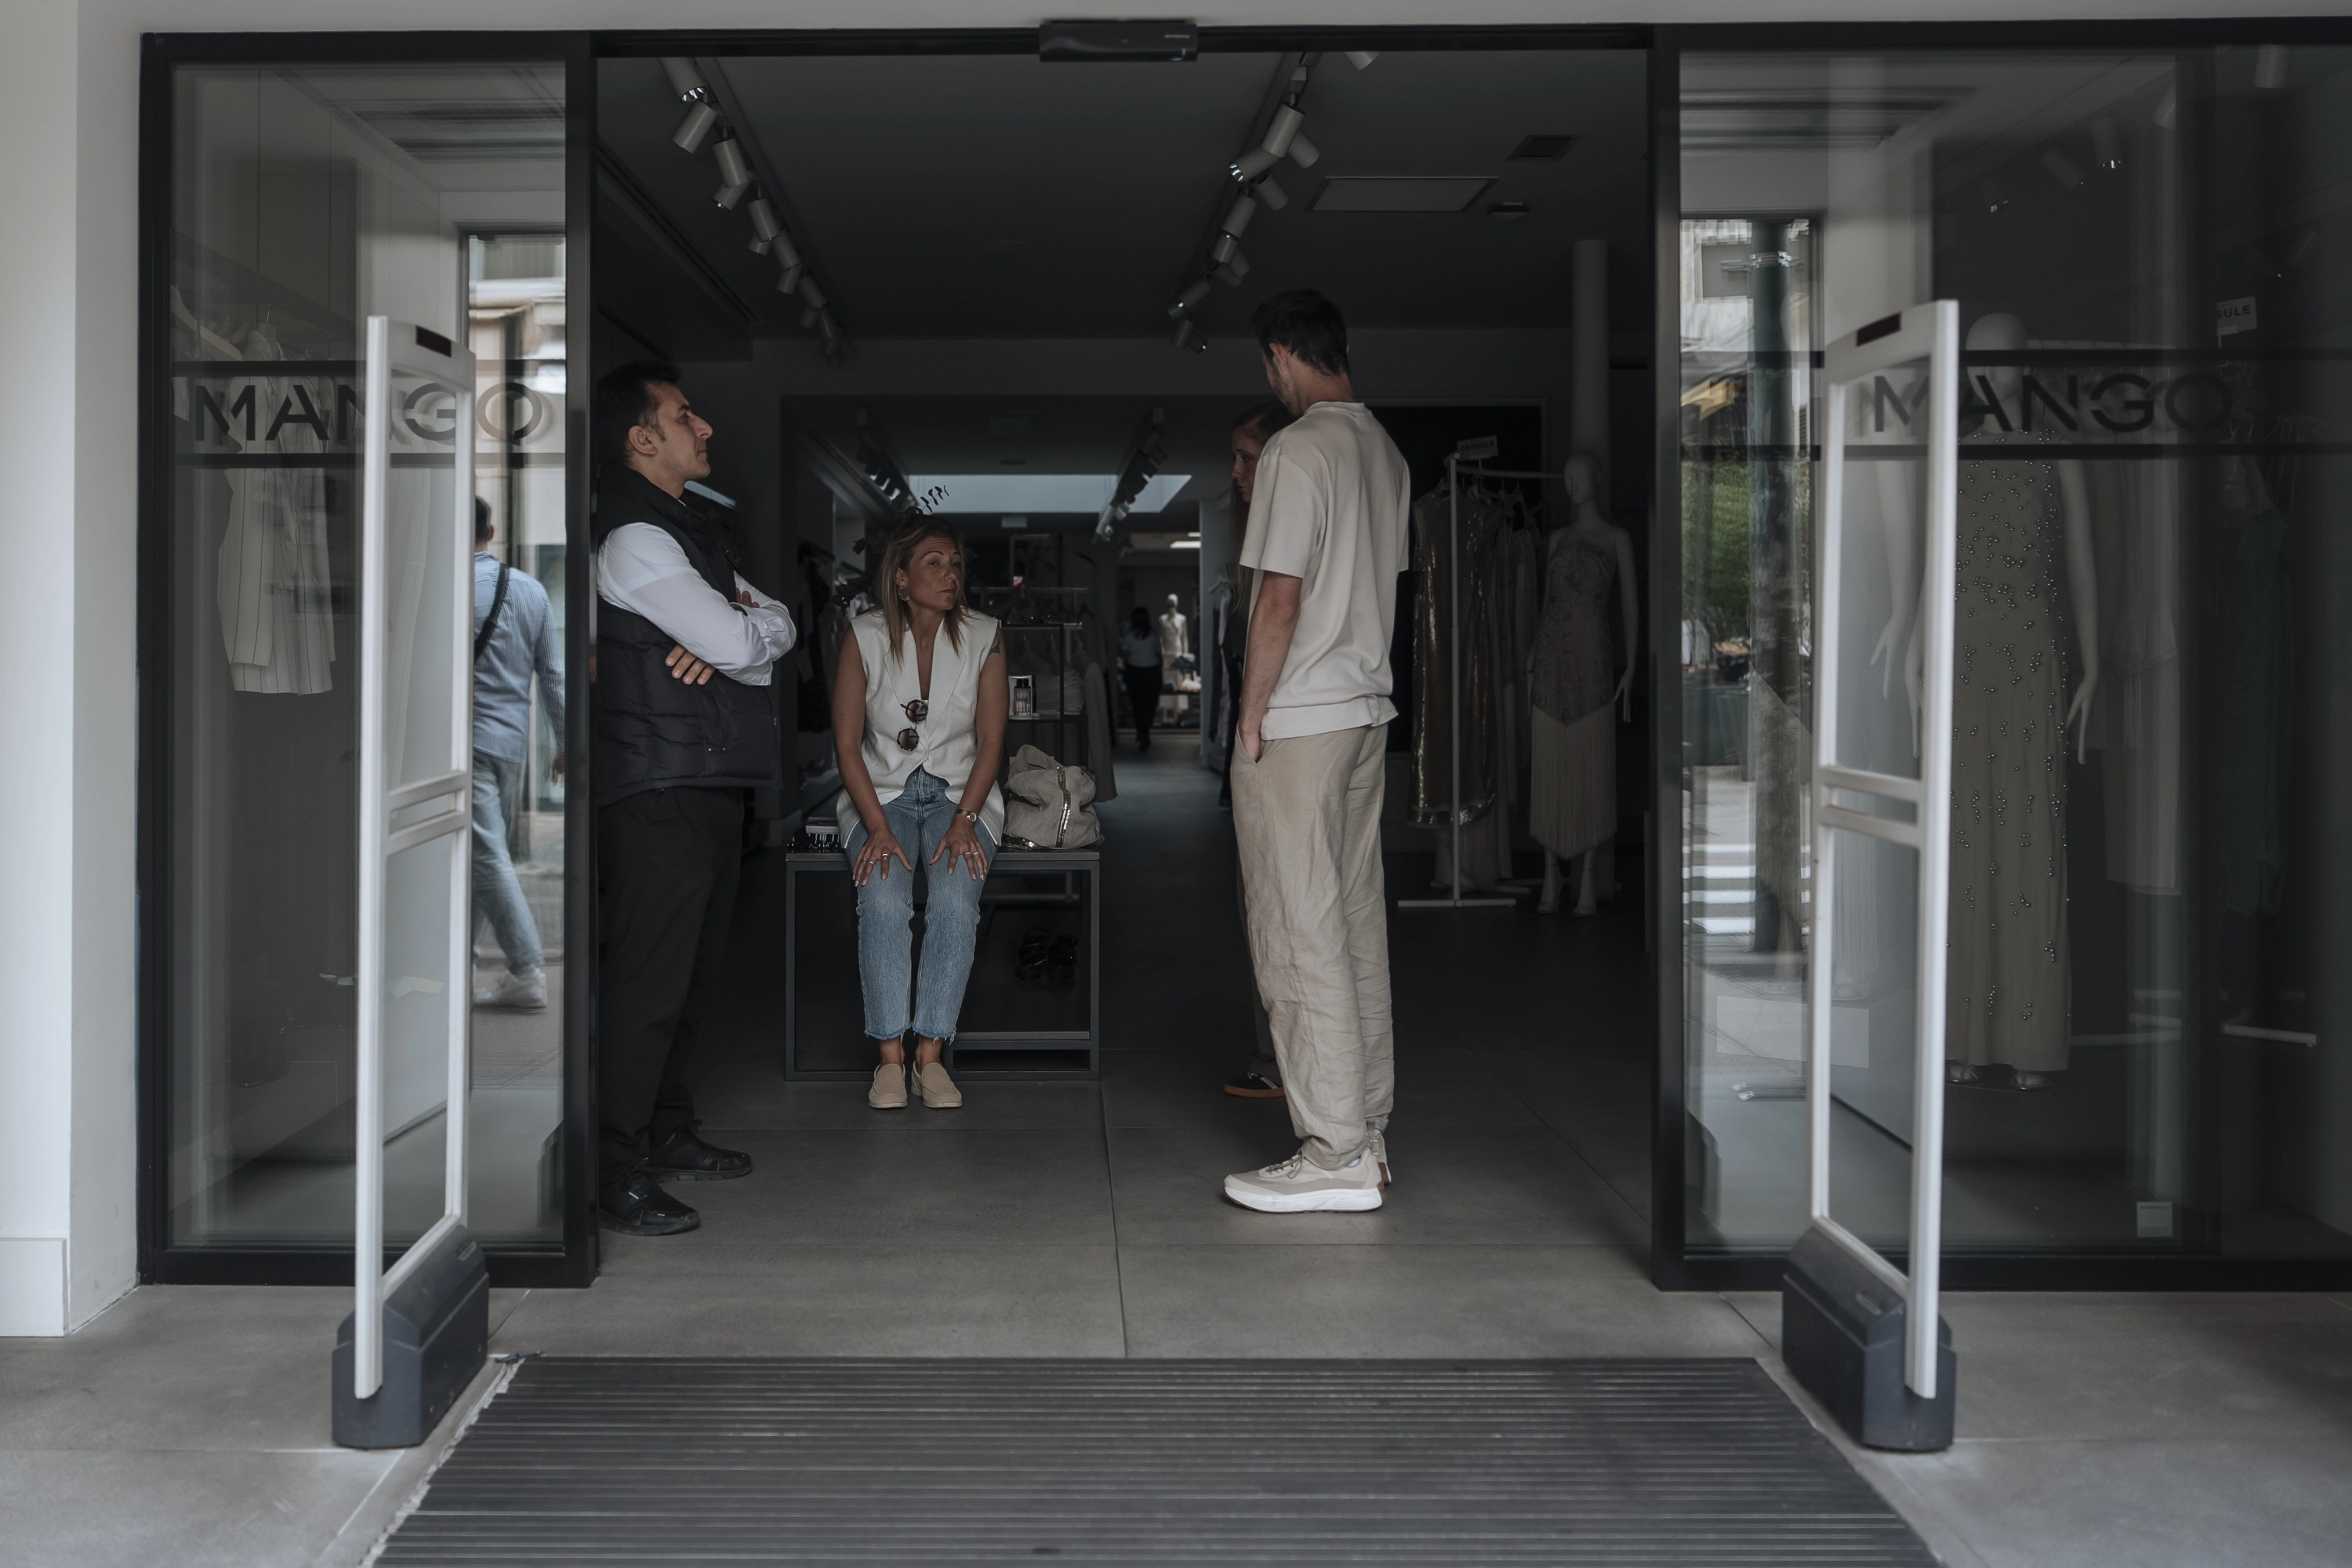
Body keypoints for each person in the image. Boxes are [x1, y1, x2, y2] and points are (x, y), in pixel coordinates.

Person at [591, 360, 797, 1236]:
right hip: (657, 788)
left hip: (702, 780)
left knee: (693, 981)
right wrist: (736, 640)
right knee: (649, 986)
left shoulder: (691, 533)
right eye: (684, 416)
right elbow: (741, 641)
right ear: (643, 439)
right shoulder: (640, 538)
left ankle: (665, 1130)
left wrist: (740, 639)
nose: (705, 427)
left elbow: (778, 626)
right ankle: (613, 1168)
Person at [1223, 290, 1412, 1214]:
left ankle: (1332, 1146)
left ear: (1279, 358)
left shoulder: (1300, 449)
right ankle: (1365, 1127)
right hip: (1368, 711)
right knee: (1354, 923)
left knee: (1298, 930)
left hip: (1302, 717)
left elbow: (1282, 599)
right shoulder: (1386, 452)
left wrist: (1249, 718)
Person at [834, 517, 1010, 1112]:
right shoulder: (864, 633)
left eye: (956, 563)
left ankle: (930, 1055)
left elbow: (991, 742)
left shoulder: (985, 634)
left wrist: (966, 817)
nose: (949, 574)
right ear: (902, 578)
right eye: (933, 563)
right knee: (882, 896)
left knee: (956, 896)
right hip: (879, 793)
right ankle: (889, 1059)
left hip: (962, 792)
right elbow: (846, 741)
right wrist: (877, 830)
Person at [1219, 400, 1293, 1099]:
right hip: (1262, 742)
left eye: (1247, 456)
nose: (1236, 472)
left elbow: (1282, 620)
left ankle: (1282, 1065)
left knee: (1277, 908)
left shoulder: (1287, 539)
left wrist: (1248, 727)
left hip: (1278, 741)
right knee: (1259, 906)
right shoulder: (1257, 537)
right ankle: (1271, 1055)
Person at [469, 499, 564, 1012]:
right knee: (481, 858)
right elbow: (553, 674)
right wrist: (566, 743)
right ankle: (459, 964)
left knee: (486, 858)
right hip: (510, 746)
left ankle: (527, 969)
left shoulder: (447, 586)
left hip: (464, 745)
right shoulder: (530, 590)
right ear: (492, 529)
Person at [1118, 605, 1163, 751]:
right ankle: (1145, 732)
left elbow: (1125, 656)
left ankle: (1141, 732)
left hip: (1134, 673)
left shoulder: (1130, 636)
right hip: (1152, 673)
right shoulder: (1153, 635)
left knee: (1137, 705)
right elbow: (1158, 656)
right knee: (1149, 706)